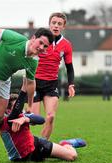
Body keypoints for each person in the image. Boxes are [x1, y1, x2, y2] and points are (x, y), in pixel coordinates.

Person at [0, 26, 54, 163]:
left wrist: (30, 104)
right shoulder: (15, 38)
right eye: (40, 43)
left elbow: (31, 83)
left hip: (4, 82)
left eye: (45, 46)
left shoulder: (33, 61)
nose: (42, 47)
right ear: (33, 39)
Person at [0, 78, 80, 163]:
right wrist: (24, 88)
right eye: (15, 107)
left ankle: (66, 144)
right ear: (8, 110)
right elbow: (17, 107)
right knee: (44, 159)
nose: (19, 109)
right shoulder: (6, 120)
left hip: (37, 145)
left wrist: (25, 119)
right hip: (21, 157)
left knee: (72, 156)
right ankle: (60, 148)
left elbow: (41, 120)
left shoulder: (22, 115)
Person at [32, 12, 75, 140]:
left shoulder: (66, 45)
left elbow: (69, 67)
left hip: (51, 84)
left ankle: (42, 145)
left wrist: (71, 84)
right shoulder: (40, 40)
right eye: (54, 23)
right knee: (34, 119)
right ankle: (25, 142)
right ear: (49, 24)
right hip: (34, 83)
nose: (56, 26)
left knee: (50, 116)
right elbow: (27, 56)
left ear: (63, 26)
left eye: (59, 24)